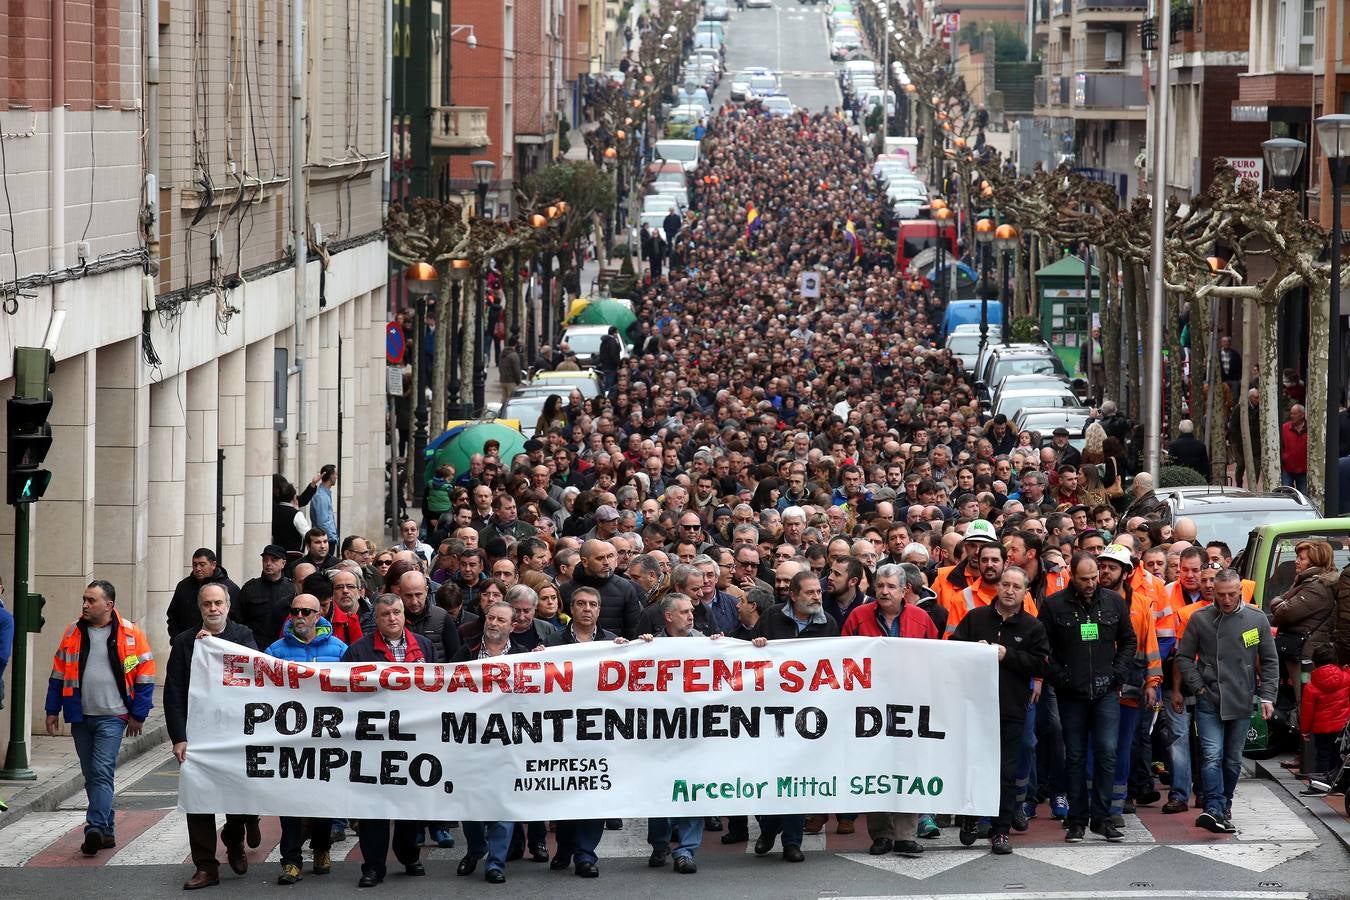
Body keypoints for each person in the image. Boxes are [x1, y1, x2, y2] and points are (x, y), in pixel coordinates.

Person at [44, 580, 156, 856]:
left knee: (102, 772)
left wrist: (138, 714)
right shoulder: (73, 631)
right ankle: (106, 831)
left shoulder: (130, 634)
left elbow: (144, 675)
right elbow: (58, 672)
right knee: (90, 774)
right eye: (84, 599)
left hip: (113, 717)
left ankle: (93, 828)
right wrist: (51, 710)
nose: (85, 604)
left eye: (91, 600)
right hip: (80, 716)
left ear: (108, 605)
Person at [165, 583, 261, 889]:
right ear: (200, 607)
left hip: (235, 732)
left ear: (228, 606)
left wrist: (217, 649)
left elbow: (255, 675)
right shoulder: (184, 642)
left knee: (240, 795)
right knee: (198, 800)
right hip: (198, 734)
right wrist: (179, 737)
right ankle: (206, 866)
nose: (213, 608)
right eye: (207, 604)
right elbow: (174, 693)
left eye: (218, 603)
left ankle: (234, 835)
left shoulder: (242, 636)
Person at [952, 565, 1051, 855]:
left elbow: (1041, 664)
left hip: (1011, 709)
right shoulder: (976, 617)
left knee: (1006, 772)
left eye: (1016, 587)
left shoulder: (1033, 626)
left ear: (1025, 592)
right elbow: (952, 649)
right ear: (997, 587)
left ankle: (1001, 831)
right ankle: (971, 818)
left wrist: (1007, 655)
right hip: (974, 707)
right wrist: (974, 650)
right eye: (1005, 584)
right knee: (973, 766)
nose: (1009, 591)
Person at [1038, 553, 1136, 842]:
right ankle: (1077, 819)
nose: (1092, 583)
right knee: (1075, 756)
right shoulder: (1054, 605)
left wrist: (1118, 673)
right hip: (1071, 693)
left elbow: (1128, 640)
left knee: (1107, 751)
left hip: (1106, 690)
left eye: (1094, 577)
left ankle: (1102, 818)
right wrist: (1061, 678)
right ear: (1072, 576)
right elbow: (1043, 648)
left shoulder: (1113, 601)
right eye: (1085, 579)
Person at [845, 563, 939, 857]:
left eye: (891, 587)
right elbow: (843, 657)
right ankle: (881, 834)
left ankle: (905, 835)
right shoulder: (858, 617)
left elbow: (938, 658)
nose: (884, 591)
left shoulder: (922, 619)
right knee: (876, 766)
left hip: (911, 705)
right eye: (880, 586)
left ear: (904, 590)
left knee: (908, 766)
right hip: (869, 705)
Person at [340, 594, 433, 887]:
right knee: (373, 806)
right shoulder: (358, 651)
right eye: (385, 614)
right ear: (376, 619)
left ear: (404, 615)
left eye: (396, 613)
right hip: (373, 741)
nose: (392, 618)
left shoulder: (425, 646)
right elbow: (344, 694)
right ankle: (373, 867)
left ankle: (408, 854)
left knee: (410, 802)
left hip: (413, 740)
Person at [1176, 568, 1278, 832]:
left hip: (1241, 697)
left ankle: (1225, 805)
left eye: (1232, 594)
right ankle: (1213, 807)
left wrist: (1268, 696)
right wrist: (1198, 687)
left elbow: (1269, 660)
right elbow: (1184, 657)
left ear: (1240, 591)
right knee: (1211, 755)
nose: (1226, 599)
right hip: (1209, 697)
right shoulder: (1200, 618)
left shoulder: (1256, 618)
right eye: (1221, 594)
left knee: (1232, 760)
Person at [749, 571, 840, 863]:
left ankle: (791, 842)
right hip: (772, 712)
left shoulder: (828, 624)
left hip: (809, 713)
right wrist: (757, 645)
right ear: (793, 595)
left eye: (819, 592)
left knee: (798, 777)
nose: (817, 597)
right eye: (810, 592)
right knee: (770, 776)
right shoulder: (772, 618)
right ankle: (768, 829)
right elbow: (746, 657)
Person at [263, 592, 348, 883]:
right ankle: (290, 861)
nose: (299, 616)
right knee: (289, 802)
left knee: (322, 799)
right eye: (295, 611)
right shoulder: (275, 650)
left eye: (306, 612)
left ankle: (322, 848)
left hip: (325, 737)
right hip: (290, 737)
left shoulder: (339, 650)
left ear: (318, 615)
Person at [545, 586, 628, 877]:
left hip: (600, 730)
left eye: (593, 604)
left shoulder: (611, 642)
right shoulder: (553, 642)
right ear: (571, 607)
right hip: (564, 730)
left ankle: (585, 855)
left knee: (595, 793)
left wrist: (634, 649)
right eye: (581, 603)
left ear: (599, 610)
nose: (587, 609)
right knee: (568, 792)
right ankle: (565, 847)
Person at [451, 600, 530, 884]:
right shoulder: (466, 652)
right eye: (490, 618)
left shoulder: (524, 657)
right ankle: (476, 849)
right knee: (471, 804)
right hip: (471, 740)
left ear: (513, 626)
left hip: (508, 742)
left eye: (501, 620)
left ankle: (495, 862)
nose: (494, 623)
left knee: (502, 802)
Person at [642, 593, 708, 873]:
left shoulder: (707, 644)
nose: (690, 615)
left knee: (693, 791)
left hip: (696, 732)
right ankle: (660, 844)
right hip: (663, 733)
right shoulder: (650, 646)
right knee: (661, 790)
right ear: (668, 617)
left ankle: (686, 850)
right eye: (684, 612)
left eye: (691, 611)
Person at [166, 548, 241, 639]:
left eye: (202, 565)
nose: (198, 569)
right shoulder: (183, 586)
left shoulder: (230, 588)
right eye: (195, 565)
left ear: (213, 565)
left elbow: (238, 619)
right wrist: (177, 639)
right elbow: (173, 616)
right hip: (187, 642)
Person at [235, 544, 297, 651]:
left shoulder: (292, 589)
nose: (268, 563)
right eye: (265, 560)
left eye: (274, 560)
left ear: (283, 563)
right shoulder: (250, 588)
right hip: (254, 646)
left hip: (284, 646)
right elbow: (238, 619)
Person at [1280, 404, 1309, 491]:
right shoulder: (1285, 428)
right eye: (1291, 413)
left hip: (1304, 471)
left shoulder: (1310, 429)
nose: (1292, 416)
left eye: (1294, 414)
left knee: (1303, 494)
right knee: (1285, 493)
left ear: (1302, 415)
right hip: (1287, 469)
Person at [308, 465, 339, 543]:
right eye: (336, 474)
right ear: (331, 476)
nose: (336, 477)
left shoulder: (324, 494)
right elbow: (322, 522)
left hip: (326, 539)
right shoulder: (321, 496)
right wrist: (332, 538)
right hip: (325, 540)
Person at [498, 336, 524, 403]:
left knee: (504, 399)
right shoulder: (514, 355)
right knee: (511, 400)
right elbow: (516, 370)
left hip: (503, 380)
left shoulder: (502, 354)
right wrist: (518, 381)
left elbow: (500, 367)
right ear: (515, 344)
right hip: (511, 381)